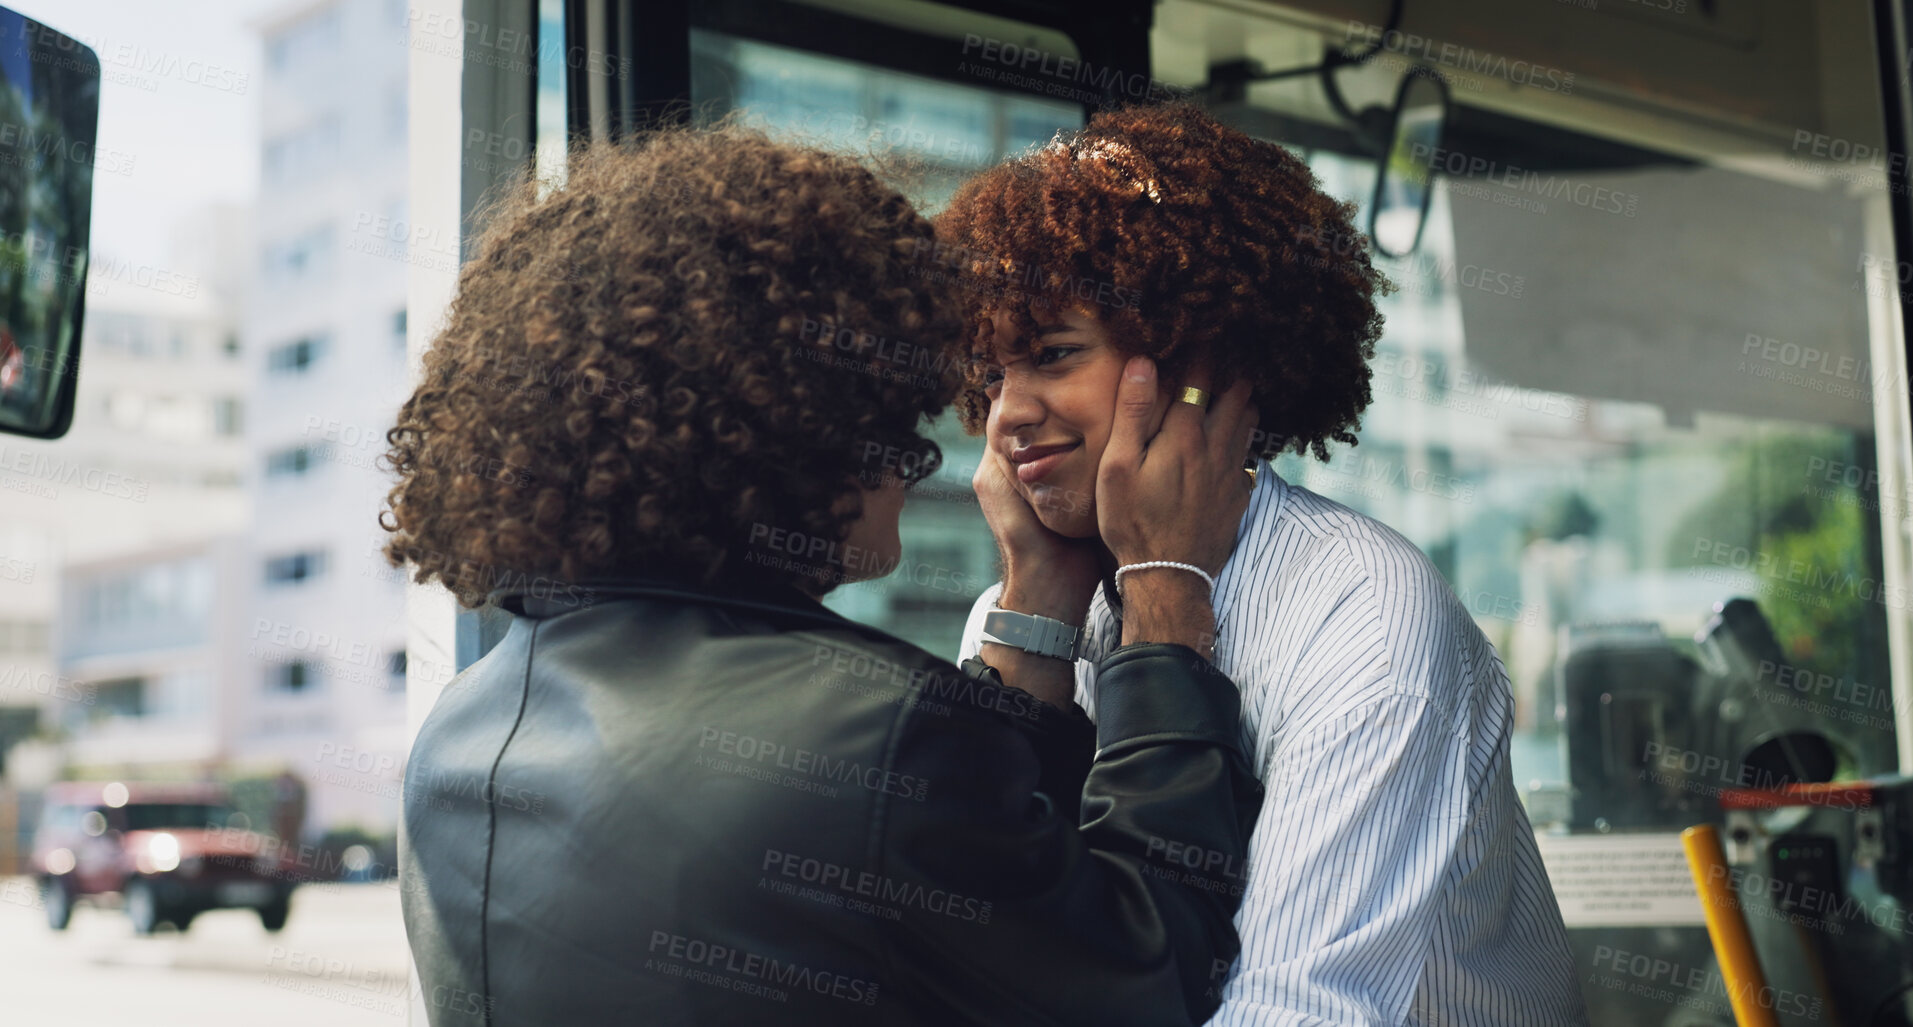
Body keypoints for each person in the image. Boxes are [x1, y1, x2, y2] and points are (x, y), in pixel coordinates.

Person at [381, 122, 1267, 1025]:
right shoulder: (877, 733)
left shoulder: (456, 734)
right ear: (797, 419)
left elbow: (989, 889)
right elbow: (1152, 975)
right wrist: (1165, 591)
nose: (923, 450)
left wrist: (1038, 594)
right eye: (894, 403)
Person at [935, 101, 1588, 1026]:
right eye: (991, 373)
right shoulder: (1018, 613)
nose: (1006, 413)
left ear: (1195, 363)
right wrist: (1035, 607)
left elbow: (1295, 1010)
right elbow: (974, 957)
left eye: (1051, 354)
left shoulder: (1360, 615)